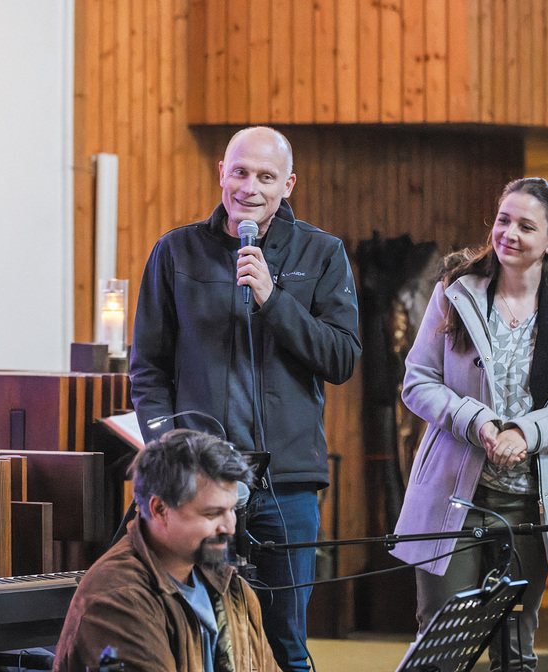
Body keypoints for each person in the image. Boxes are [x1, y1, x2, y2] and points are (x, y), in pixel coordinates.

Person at [129, 125, 361, 671]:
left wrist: (273, 299)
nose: (250, 187)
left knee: (285, 643)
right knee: (199, 637)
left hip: (288, 483)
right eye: (239, 172)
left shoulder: (322, 253)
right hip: (199, 484)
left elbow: (342, 358)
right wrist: (169, 452)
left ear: (288, 185)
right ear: (221, 174)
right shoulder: (175, 251)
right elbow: (148, 369)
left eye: (265, 177)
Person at [389, 178, 548, 671]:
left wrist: (527, 433)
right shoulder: (455, 290)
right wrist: (479, 422)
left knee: (514, 650)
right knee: (442, 647)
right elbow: (418, 382)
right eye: (503, 220)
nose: (509, 233)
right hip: (454, 497)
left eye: (526, 226)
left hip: (531, 503)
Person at [53, 429, 281, 672]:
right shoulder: (117, 597)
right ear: (160, 510)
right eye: (212, 513)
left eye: (232, 510)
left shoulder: (233, 589)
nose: (230, 527)